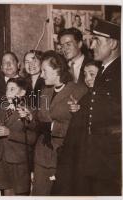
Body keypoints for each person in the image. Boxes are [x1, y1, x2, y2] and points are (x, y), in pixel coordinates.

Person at [53, 18, 121, 196]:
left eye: (97, 40)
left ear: (113, 43)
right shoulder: (105, 70)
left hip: (109, 157)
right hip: (93, 155)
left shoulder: (119, 72)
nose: (92, 46)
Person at [31, 50, 87, 195]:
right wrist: (29, 116)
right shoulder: (44, 91)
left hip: (64, 154)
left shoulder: (79, 91)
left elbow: (82, 126)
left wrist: (53, 127)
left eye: (44, 71)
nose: (41, 75)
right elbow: (38, 118)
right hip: (42, 155)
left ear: (58, 70)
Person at [0, 77, 37, 196]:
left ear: (22, 92)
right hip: (1, 158)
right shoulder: (2, 108)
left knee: (20, 193)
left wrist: (9, 133)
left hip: (18, 161)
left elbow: (32, 138)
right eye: (7, 89)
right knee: (6, 193)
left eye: (12, 89)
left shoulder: (28, 111)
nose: (8, 92)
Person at [0, 52, 20, 118]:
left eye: (11, 61)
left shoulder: (27, 84)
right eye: (4, 62)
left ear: (18, 65)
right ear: (1, 68)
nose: (8, 64)